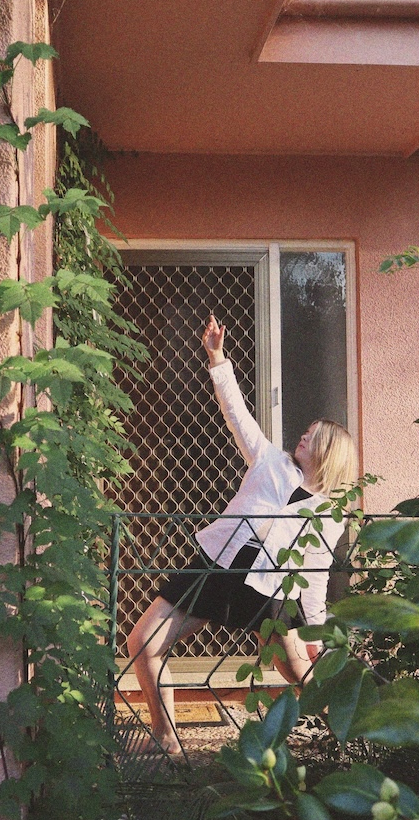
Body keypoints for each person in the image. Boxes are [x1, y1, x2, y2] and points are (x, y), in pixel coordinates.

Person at [125, 313, 359, 756]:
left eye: (312, 437)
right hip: (216, 567)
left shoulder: (329, 512)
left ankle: (346, 737)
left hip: (270, 590)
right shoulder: (270, 461)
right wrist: (217, 357)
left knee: (299, 671)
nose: (302, 438)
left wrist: (320, 635)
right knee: (142, 642)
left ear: (329, 452)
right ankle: (167, 739)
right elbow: (237, 413)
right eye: (305, 434)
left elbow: (314, 576)